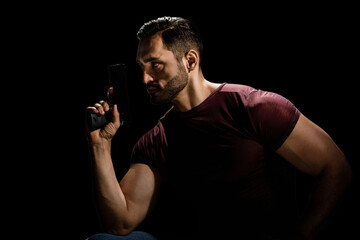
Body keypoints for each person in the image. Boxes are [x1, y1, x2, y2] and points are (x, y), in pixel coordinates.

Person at [85, 16, 352, 240]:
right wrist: (100, 145)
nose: (145, 78)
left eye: (155, 64)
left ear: (190, 61)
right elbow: (120, 223)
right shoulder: (156, 140)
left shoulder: (254, 107)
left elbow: (336, 168)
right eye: (141, 67)